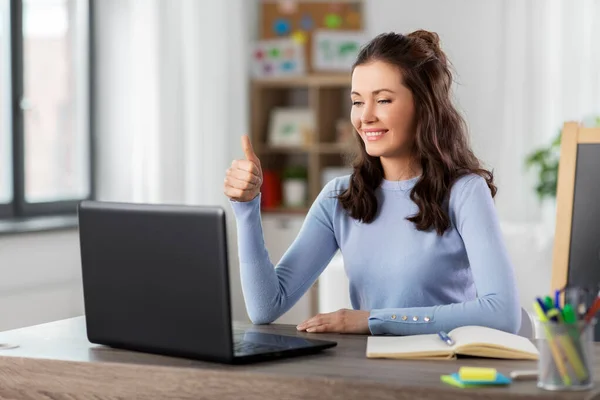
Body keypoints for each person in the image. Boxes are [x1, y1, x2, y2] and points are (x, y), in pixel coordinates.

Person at [223, 30, 521, 336]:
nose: (365, 116)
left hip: (444, 373)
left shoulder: (465, 191)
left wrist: (371, 320)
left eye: (383, 100)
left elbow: (503, 315)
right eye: (356, 102)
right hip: (370, 370)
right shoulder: (340, 197)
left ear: (424, 106)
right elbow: (265, 307)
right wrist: (247, 207)